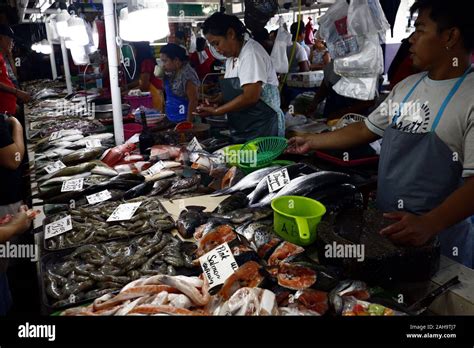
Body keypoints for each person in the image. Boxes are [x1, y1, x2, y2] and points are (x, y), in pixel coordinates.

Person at [287, 0, 474, 268]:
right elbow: (366, 129)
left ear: (450, 36)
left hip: (442, 242)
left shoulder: (470, 96)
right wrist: (312, 140)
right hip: (385, 231)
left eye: (420, 30)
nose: (411, 39)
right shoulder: (407, 87)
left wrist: (430, 223)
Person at [196, 12, 285, 142]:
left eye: (217, 43)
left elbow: (250, 97)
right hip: (244, 126)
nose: (216, 49)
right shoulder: (231, 59)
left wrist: (217, 111)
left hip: (262, 128)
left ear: (231, 34)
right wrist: (217, 100)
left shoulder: (251, 53)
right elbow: (238, 91)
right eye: (212, 45)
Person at [306, 60, 376, 119]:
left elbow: (369, 102)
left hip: (354, 121)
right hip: (330, 116)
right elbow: (324, 86)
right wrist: (314, 103)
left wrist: (342, 113)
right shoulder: (332, 65)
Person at [160, 43, 200, 123]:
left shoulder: (187, 74)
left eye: (165, 61)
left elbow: (193, 100)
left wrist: (188, 123)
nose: (163, 65)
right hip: (171, 117)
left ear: (176, 60)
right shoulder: (171, 71)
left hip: (183, 119)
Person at [0, 25, 30, 114]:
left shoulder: (3, 56)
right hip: (4, 112)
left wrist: (9, 55)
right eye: (10, 39)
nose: (12, 43)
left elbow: (14, 76)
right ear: (1, 38)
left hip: (9, 108)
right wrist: (17, 92)